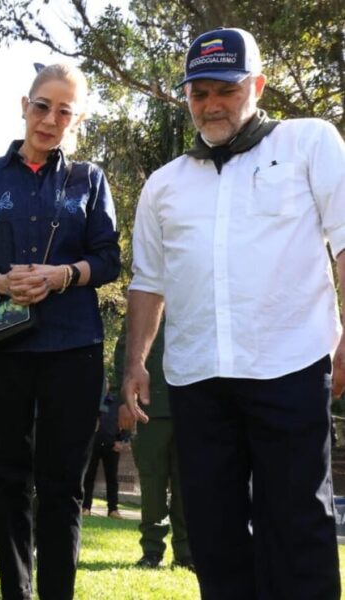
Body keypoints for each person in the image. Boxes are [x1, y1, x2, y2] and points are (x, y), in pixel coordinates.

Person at [121, 27, 345, 599]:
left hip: (290, 366)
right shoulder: (163, 186)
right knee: (214, 533)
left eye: (225, 88)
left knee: (297, 526)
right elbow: (148, 283)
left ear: (257, 85)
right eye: (199, 93)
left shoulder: (310, 143)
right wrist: (136, 364)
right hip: (199, 380)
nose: (211, 104)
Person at [0, 63, 120, 599]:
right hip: (1, 345)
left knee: (63, 486)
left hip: (74, 345)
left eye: (65, 111)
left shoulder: (89, 180)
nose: (51, 119)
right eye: (43, 106)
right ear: (24, 105)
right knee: (11, 481)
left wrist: (64, 275)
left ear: (78, 119)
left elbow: (108, 260)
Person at [112, 321, 191, 570]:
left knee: (186, 485)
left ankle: (186, 553)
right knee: (151, 482)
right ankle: (152, 551)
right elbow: (124, 353)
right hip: (150, 410)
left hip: (191, 409)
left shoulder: (195, 300)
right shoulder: (145, 303)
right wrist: (123, 401)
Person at [81, 385, 125, 519]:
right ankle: (85, 507)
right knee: (88, 477)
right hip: (92, 444)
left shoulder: (115, 402)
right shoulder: (89, 400)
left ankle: (113, 510)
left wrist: (121, 440)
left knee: (112, 479)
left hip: (112, 445)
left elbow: (125, 422)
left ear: (108, 386)